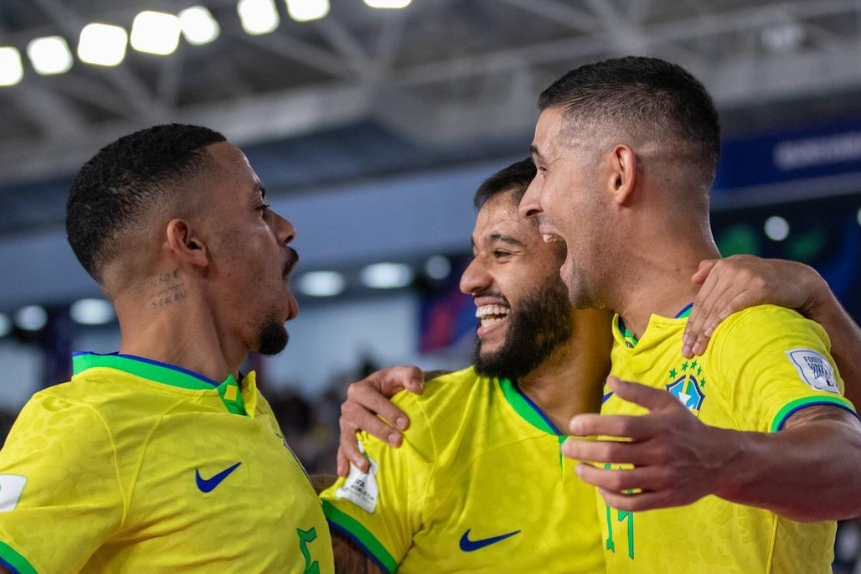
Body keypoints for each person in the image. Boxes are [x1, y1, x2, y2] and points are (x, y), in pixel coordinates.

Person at [520, 56, 861, 572]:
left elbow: (850, 463)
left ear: (619, 174)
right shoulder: (628, 345)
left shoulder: (748, 323)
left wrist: (723, 460)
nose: (530, 199)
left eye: (543, 168)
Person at [0, 124, 334, 573]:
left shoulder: (238, 404)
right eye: (259, 208)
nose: (287, 229)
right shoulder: (88, 424)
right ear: (191, 243)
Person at [319, 159, 614, 573]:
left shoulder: (676, 397)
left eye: (501, 252)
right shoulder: (413, 422)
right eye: (476, 254)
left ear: (580, 261)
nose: (469, 279)